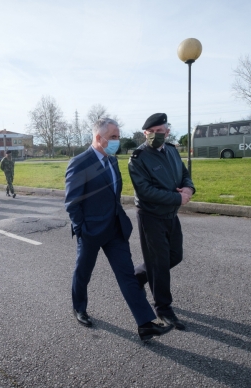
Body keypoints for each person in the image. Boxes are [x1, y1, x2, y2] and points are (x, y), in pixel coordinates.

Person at [65, 117, 173, 341]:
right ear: (98, 137)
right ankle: (79, 307)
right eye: (112, 137)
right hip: (91, 231)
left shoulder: (112, 161)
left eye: (118, 136)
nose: (117, 141)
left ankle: (145, 324)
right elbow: (72, 202)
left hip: (115, 229)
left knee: (127, 276)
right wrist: (82, 228)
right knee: (83, 272)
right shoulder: (80, 162)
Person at [128, 113, 196, 331]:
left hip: (171, 214)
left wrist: (188, 189)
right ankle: (163, 309)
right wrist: (178, 198)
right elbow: (145, 191)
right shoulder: (138, 158)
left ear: (168, 132)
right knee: (159, 264)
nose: (158, 135)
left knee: (175, 256)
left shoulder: (173, 151)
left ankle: (137, 277)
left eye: (162, 131)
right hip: (151, 215)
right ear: (145, 133)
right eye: (152, 132)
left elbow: (184, 174)